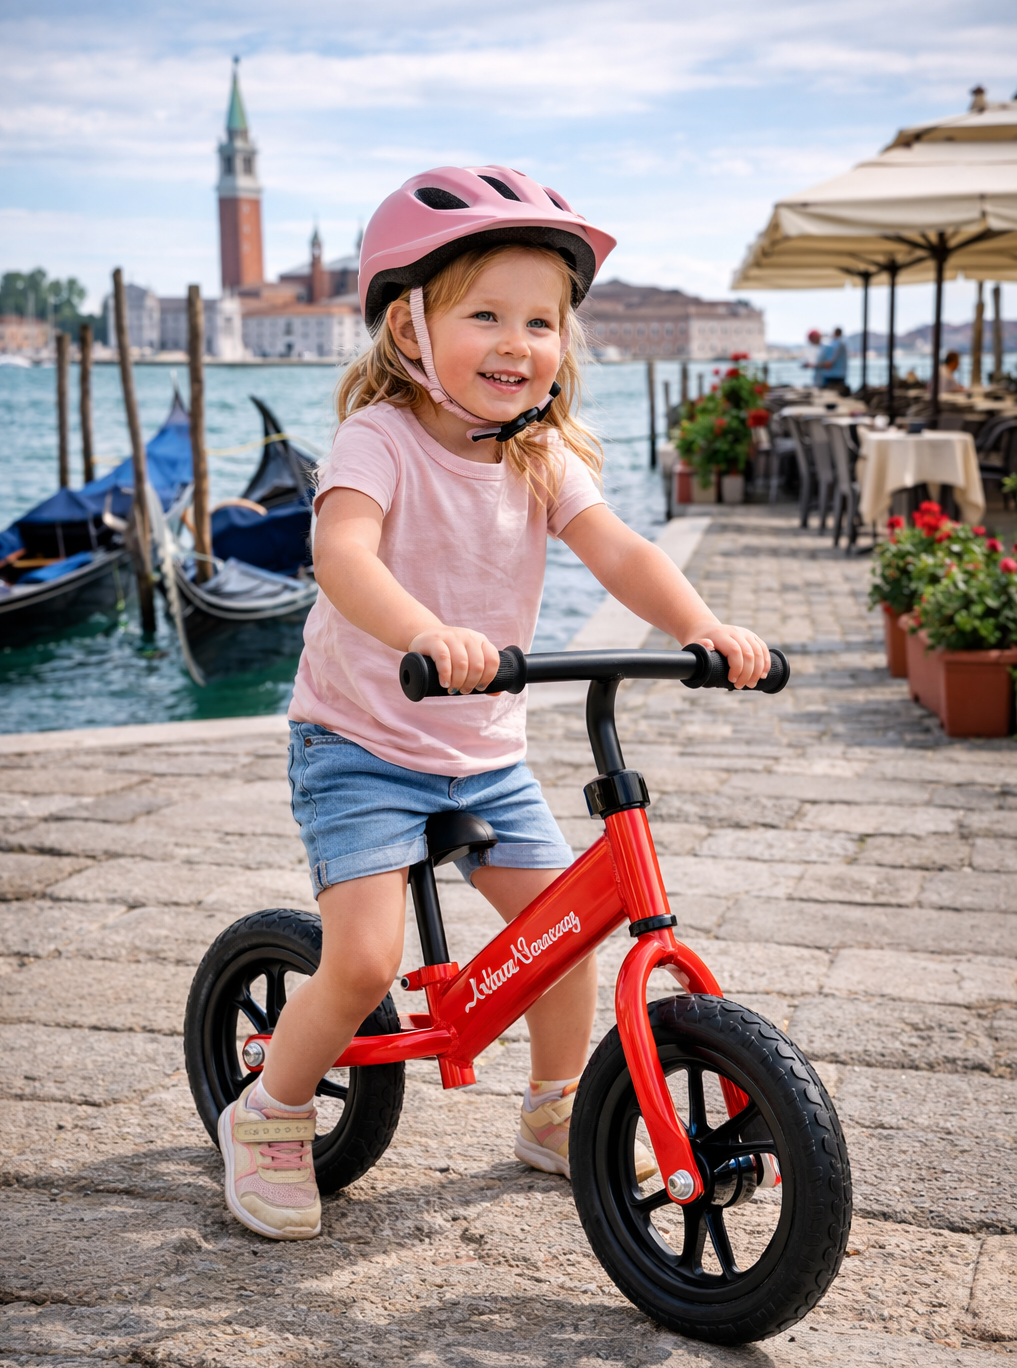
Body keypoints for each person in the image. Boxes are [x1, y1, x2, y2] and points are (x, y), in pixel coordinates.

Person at [217, 165, 771, 1240]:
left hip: (479, 747)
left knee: (565, 930)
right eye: (485, 316)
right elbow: (339, 556)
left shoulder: (538, 452)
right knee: (367, 959)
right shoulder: (379, 438)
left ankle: (556, 1111)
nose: (517, 344)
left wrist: (701, 627)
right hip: (360, 740)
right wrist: (424, 631)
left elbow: (616, 548)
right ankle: (271, 1113)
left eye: (542, 321)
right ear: (409, 325)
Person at [814, 327, 848, 392]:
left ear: (835, 333)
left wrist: (814, 365)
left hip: (834, 376)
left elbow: (830, 363)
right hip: (838, 375)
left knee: (831, 395)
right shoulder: (840, 343)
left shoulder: (837, 344)